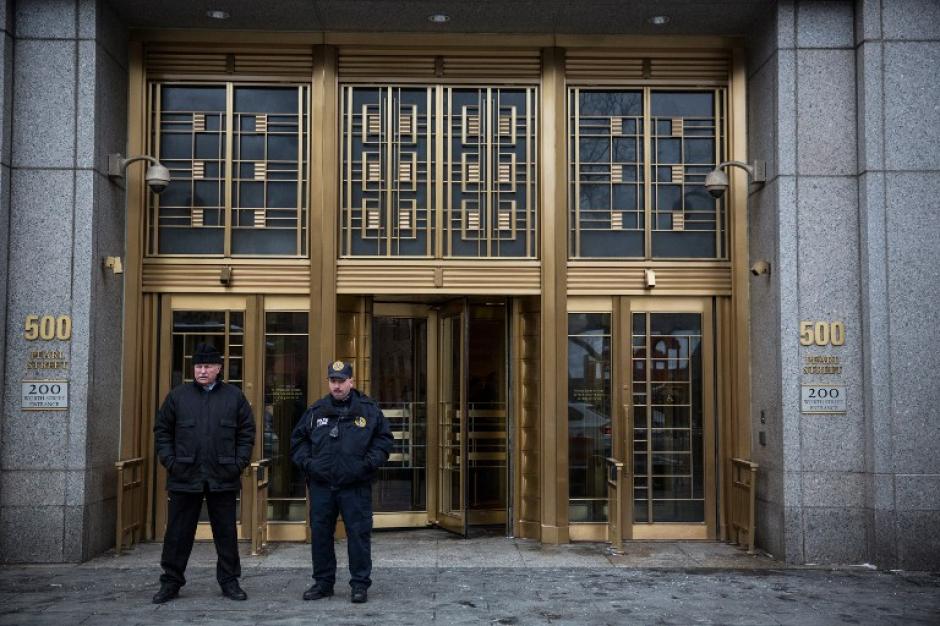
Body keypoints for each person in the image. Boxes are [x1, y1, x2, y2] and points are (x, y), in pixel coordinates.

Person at [152, 343, 256, 604]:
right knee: (178, 533)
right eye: (198, 366)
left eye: (208, 366)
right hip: (184, 476)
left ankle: (229, 581)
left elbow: (247, 433)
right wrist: (171, 462)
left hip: (223, 476)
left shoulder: (234, 397)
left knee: (226, 534)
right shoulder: (178, 396)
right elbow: (162, 431)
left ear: (219, 368)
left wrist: (238, 463)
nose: (202, 371)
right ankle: (171, 582)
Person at [290, 360, 393, 604]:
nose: (336, 386)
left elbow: (384, 441)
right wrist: (309, 465)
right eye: (332, 381)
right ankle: (323, 583)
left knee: (358, 535)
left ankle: (359, 584)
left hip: (355, 485)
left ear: (351, 381)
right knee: (321, 535)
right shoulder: (317, 410)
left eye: (341, 381)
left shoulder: (368, 410)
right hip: (322, 486)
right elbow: (298, 441)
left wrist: (366, 464)